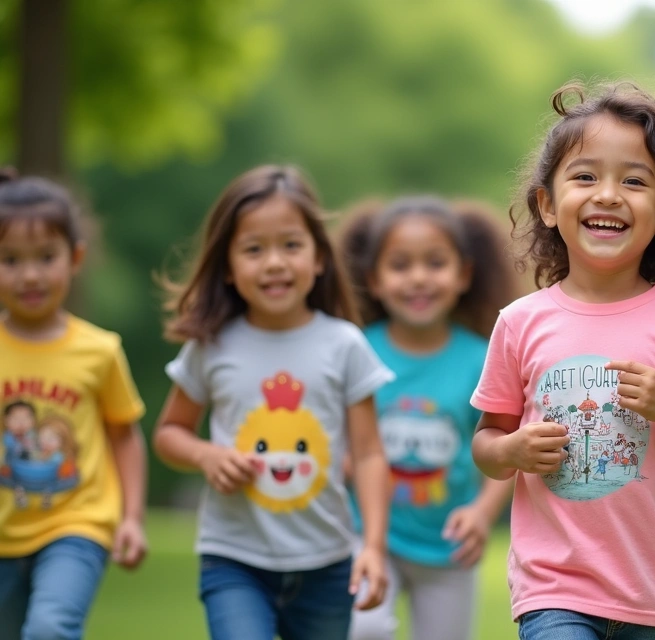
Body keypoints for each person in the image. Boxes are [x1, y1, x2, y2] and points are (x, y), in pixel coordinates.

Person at [470, 80, 655, 640]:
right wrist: (513, 449)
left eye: (633, 180)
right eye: (585, 177)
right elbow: (486, 445)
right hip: (554, 587)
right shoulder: (520, 323)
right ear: (547, 206)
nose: (607, 194)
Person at [151, 165, 394, 640]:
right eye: (253, 249)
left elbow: (368, 454)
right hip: (234, 559)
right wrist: (207, 455)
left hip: (326, 563)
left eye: (291, 245)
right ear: (227, 265)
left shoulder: (344, 345)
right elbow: (168, 434)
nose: (275, 263)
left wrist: (374, 547)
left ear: (319, 258)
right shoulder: (211, 346)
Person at [339, 196, 519, 640]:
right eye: (400, 265)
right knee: (364, 630)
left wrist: (481, 513)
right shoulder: (356, 350)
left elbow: (506, 449)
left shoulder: (482, 358)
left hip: (448, 547)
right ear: (373, 280)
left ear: (463, 275)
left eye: (435, 263)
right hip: (366, 536)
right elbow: (333, 433)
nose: (418, 277)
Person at [0, 171, 148, 640]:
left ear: (75, 258)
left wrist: (132, 517)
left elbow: (124, 435)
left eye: (46, 257)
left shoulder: (98, 351)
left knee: (49, 629)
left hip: (77, 523)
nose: (30, 275)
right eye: (10, 260)